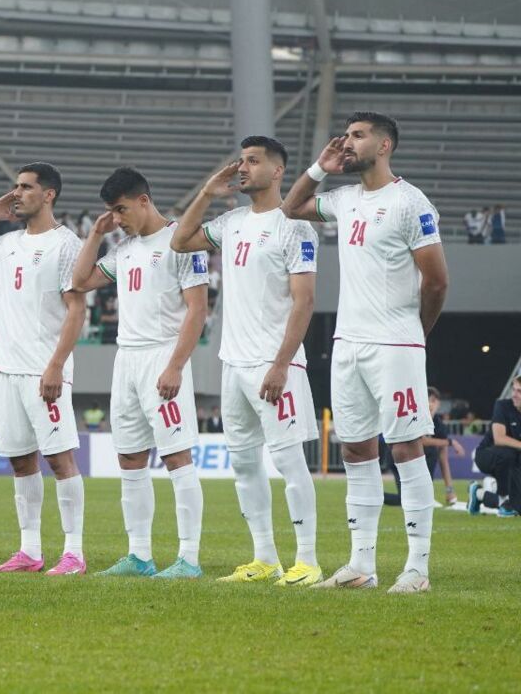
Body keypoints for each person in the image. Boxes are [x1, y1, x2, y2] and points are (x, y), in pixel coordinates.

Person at [283, 111, 448, 593]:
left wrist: (416, 332)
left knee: (406, 447)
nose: (348, 142)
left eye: (358, 136)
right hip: (348, 344)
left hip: (395, 343)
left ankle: (417, 568)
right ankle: (361, 564)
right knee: (356, 448)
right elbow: (291, 208)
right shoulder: (344, 199)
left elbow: (437, 281)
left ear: (385, 145)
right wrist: (320, 167)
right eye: (347, 135)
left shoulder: (410, 202)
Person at [173, 135, 322, 586]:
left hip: (273, 363)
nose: (242, 168)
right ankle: (265, 558)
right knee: (243, 464)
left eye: (253, 161)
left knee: (289, 461)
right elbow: (181, 241)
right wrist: (206, 193)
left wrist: (281, 363)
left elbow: (304, 301)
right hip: (233, 363)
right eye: (241, 161)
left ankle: (308, 561)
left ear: (277, 171)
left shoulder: (294, 226)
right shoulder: (232, 221)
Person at [72, 167, 209, 579]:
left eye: (121, 209)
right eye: (112, 212)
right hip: (126, 359)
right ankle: (139, 556)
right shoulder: (124, 248)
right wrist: (95, 235)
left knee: (176, 455)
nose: (117, 218)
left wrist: (175, 366)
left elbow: (197, 310)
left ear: (144, 201)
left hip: (162, 355)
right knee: (130, 456)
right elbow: (80, 281)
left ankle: (189, 559)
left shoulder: (182, 242)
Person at [0, 162, 88, 575]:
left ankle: (74, 553)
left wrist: (56, 366)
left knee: (60, 460)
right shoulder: (6, 242)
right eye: (15, 186)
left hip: (44, 371)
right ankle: (29, 551)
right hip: (8, 369)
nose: (17, 193)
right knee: (20, 462)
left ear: (49, 195)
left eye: (27, 187)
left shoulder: (67, 244)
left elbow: (76, 310)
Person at [383, 387, 465, 508]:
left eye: (433, 401)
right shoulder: (414, 416)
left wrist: (449, 490)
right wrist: (450, 442)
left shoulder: (438, 424)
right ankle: (377, 496)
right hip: (398, 458)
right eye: (427, 400)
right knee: (408, 498)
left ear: (439, 404)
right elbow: (422, 441)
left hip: (413, 459)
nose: (430, 404)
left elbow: (443, 459)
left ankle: (424, 494)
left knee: (407, 499)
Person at [468, 376, 521, 517]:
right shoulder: (503, 406)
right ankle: (504, 499)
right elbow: (499, 438)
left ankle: (478, 493)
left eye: (519, 391)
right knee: (509, 454)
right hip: (486, 454)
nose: (514, 394)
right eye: (514, 390)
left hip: (512, 461)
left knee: (518, 506)